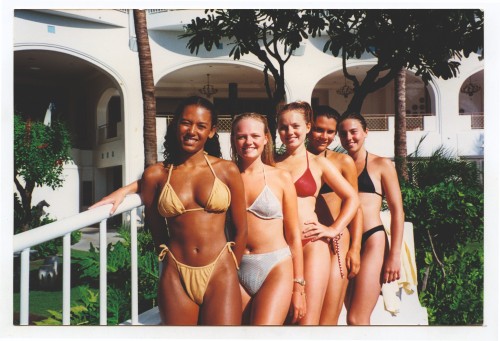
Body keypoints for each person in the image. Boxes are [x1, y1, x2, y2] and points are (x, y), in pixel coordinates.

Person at [90, 96, 247, 325]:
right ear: (175, 125)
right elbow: (157, 231)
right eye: (186, 123)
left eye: (201, 126)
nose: (192, 131)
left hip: (221, 270)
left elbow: (241, 229)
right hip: (176, 273)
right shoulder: (156, 175)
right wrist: (124, 190)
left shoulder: (226, 171)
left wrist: (232, 267)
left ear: (212, 131)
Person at [275, 101, 359, 325]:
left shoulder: (319, 164)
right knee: (285, 320)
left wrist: (333, 229)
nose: (290, 132)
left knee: (307, 322)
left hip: (311, 246)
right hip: (281, 248)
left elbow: (352, 198)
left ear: (307, 127)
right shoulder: (271, 163)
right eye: (283, 127)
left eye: (295, 126)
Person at [230, 113, 305, 325]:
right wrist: (130, 188)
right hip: (236, 267)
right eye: (241, 136)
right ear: (234, 140)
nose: (248, 142)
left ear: (266, 138)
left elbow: (293, 235)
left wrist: (298, 287)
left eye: (255, 135)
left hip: (275, 266)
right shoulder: (224, 175)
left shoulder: (281, 178)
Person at [337, 112, 404, 325]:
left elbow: (397, 211)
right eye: (343, 133)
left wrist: (394, 255)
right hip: (346, 242)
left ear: (366, 132)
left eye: (354, 132)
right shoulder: (337, 166)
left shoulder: (381, 164)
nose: (349, 138)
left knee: (357, 318)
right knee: (350, 315)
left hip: (372, 240)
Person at [306, 105, 363, 325]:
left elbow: (355, 207)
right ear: (309, 128)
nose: (325, 136)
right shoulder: (293, 160)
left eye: (330, 132)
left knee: (328, 316)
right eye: (320, 130)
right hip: (307, 240)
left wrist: (355, 249)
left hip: (336, 242)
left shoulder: (342, 162)